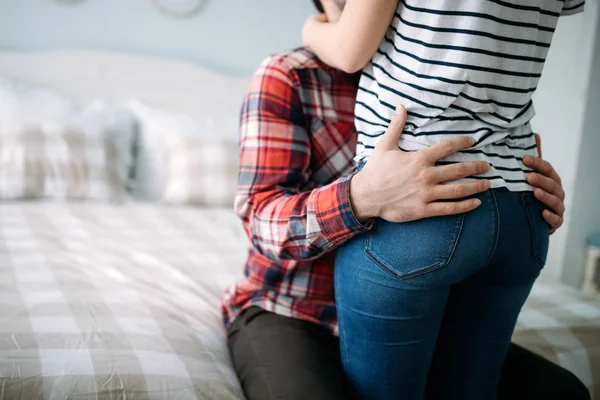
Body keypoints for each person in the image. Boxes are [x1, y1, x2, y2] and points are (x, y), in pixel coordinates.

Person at [221, 3, 589, 400]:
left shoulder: (436, 73)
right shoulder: (289, 75)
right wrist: (359, 199)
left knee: (561, 391)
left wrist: (532, 191)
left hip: (423, 311)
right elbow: (261, 221)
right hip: (293, 310)